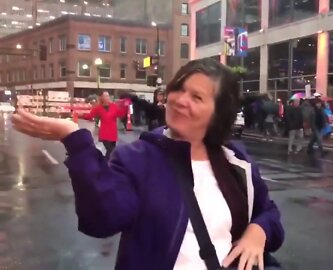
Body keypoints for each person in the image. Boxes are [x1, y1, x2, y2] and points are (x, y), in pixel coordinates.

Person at [11, 59, 284, 270]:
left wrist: (258, 232)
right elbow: (101, 221)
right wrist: (75, 141)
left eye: (197, 97)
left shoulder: (235, 160)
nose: (179, 100)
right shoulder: (138, 159)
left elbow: (267, 212)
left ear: (218, 112)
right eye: (178, 89)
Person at [81, 91, 128, 160]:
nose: (107, 98)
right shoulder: (98, 108)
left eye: (108, 96)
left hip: (113, 133)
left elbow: (121, 114)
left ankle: (104, 164)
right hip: (104, 133)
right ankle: (105, 165)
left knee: (112, 152)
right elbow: (89, 116)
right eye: (105, 96)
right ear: (102, 98)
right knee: (111, 151)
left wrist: (125, 107)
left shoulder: (113, 106)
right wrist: (80, 115)